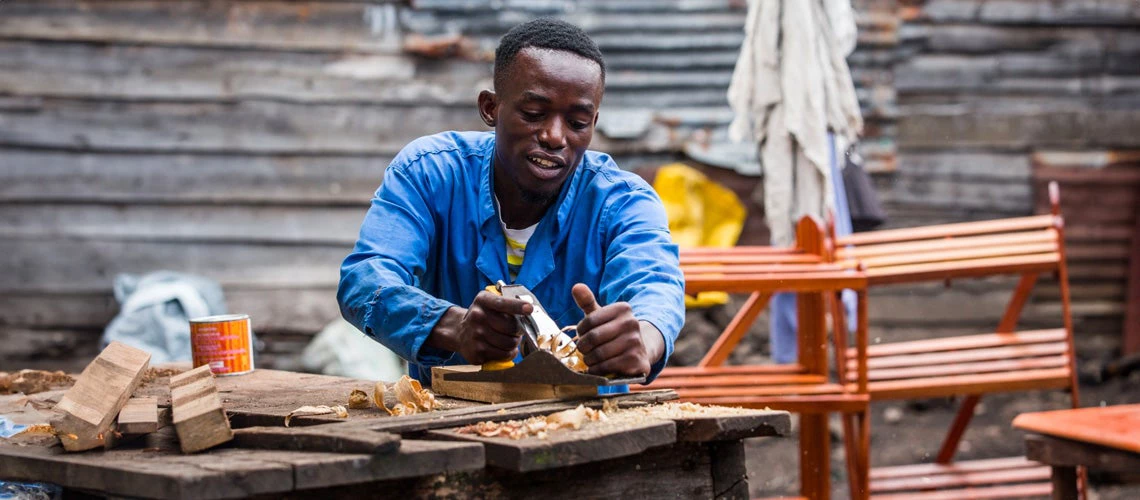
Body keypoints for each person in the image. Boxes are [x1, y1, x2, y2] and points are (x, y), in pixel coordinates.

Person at [337, 19, 685, 390]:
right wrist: (454, 326)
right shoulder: (429, 173)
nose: (555, 136)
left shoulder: (623, 202)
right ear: (491, 108)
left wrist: (644, 341)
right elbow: (366, 278)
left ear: (594, 123)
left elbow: (656, 287)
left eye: (578, 122)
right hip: (448, 422)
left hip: (585, 426)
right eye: (534, 114)